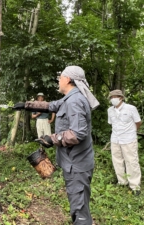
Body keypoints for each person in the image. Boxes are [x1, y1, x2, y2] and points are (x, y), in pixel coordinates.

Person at [15, 66, 99, 225]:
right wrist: (26, 105)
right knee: (77, 202)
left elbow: (77, 134)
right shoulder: (69, 98)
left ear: (67, 79)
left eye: (60, 77)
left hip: (77, 165)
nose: (58, 80)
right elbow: (51, 106)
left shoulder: (75, 101)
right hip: (73, 163)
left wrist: (52, 138)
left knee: (79, 207)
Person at [107, 89, 142, 196]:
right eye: (111, 98)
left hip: (129, 139)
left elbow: (138, 122)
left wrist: (131, 132)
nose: (113, 99)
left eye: (115, 97)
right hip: (115, 139)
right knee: (117, 160)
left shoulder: (131, 108)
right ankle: (122, 181)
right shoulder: (110, 110)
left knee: (131, 161)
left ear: (121, 98)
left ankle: (135, 186)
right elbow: (111, 123)